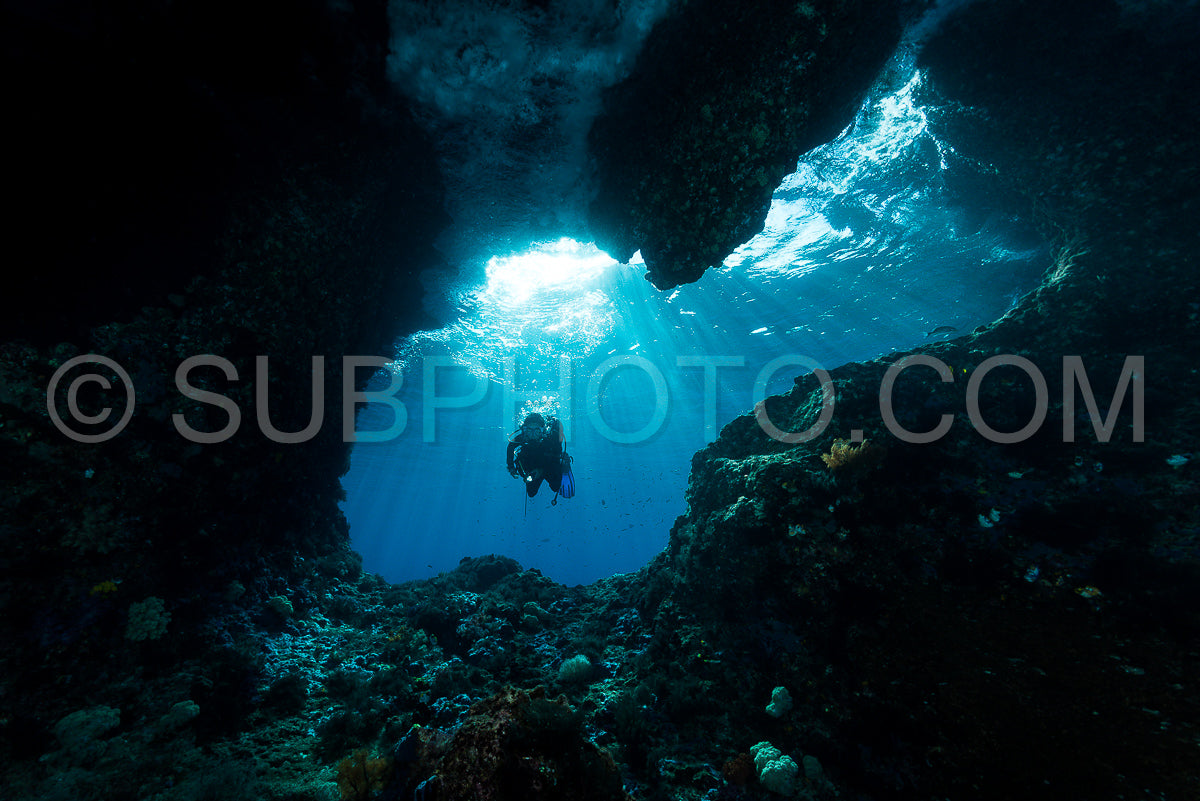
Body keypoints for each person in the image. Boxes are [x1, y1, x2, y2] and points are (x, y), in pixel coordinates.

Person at [507, 413, 572, 499]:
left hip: (550, 465)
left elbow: (556, 455)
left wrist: (541, 471)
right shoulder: (523, 437)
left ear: (543, 430)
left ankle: (564, 465)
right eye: (529, 430)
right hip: (533, 468)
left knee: (555, 487)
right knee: (531, 493)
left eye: (537, 430)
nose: (533, 435)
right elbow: (510, 447)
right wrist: (511, 467)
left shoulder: (551, 438)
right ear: (524, 430)